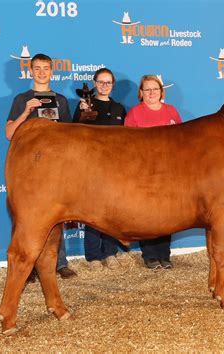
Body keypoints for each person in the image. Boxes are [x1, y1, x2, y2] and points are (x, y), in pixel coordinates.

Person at [6, 53, 77, 280]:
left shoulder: (62, 101)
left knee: (58, 212)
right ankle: (27, 266)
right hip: (28, 168)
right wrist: (26, 112)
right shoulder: (21, 99)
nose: (41, 72)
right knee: (26, 216)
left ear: (52, 71)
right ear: (30, 71)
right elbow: (9, 134)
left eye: (45, 68)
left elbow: (70, 136)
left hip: (56, 167)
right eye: (37, 68)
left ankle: (59, 263)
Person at [124, 75, 182, 270]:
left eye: (155, 89)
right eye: (147, 89)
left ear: (161, 92)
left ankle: (165, 255)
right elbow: (127, 144)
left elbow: (181, 139)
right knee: (147, 213)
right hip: (144, 171)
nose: (151, 93)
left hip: (169, 169)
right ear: (141, 93)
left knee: (168, 213)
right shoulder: (134, 113)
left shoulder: (171, 111)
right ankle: (149, 256)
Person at [73, 68, 126, 271]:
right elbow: (74, 132)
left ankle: (110, 252)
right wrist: (82, 112)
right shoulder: (85, 105)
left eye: (108, 82)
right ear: (94, 83)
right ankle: (94, 256)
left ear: (113, 85)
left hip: (115, 166)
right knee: (93, 211)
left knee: (113, 210)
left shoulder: (120, 108)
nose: (104, 86)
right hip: (92, 166)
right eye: (101, 82)